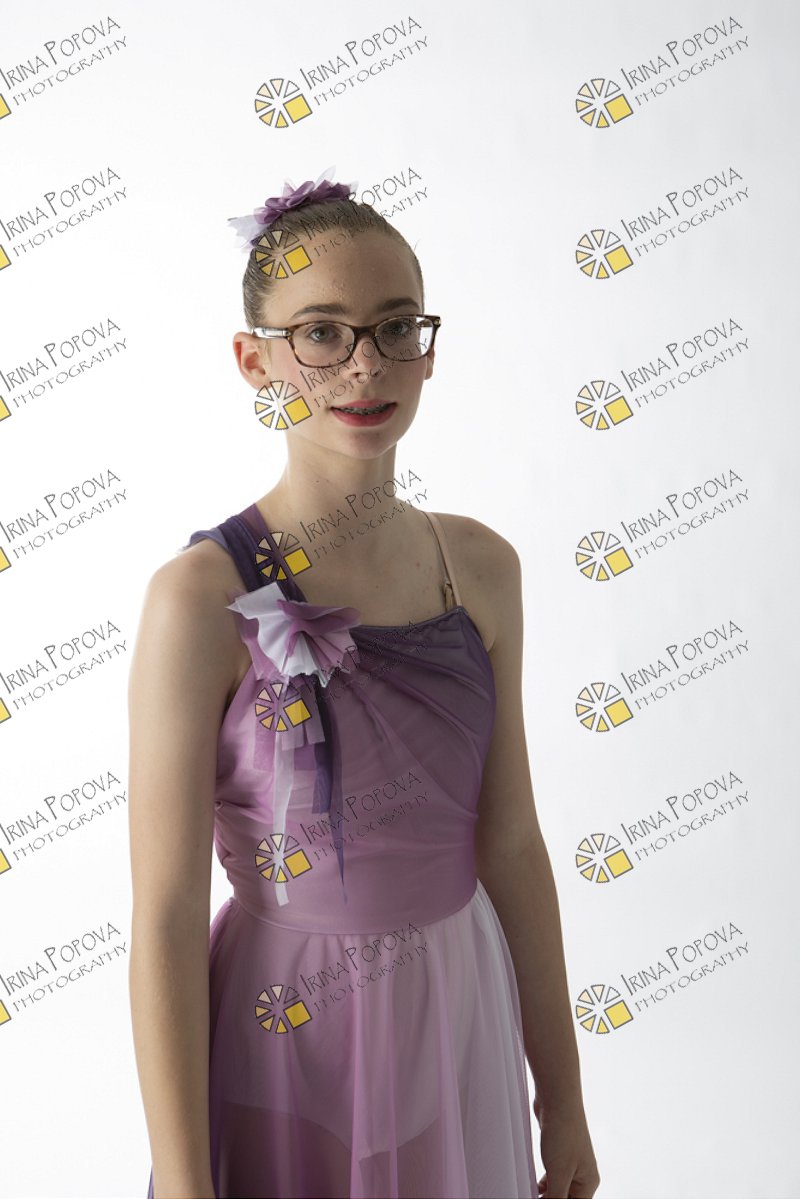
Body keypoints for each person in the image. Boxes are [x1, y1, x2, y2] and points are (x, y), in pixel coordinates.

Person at [128, 168, 600, 1199]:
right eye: (321, 333)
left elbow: (511, 840)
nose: (364, 365)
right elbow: (164, 912)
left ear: (428, 345)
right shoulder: (199, 597)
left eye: (394, 327)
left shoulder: (481, 567)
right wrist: (184, 1180)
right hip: (283, 1027)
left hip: (454, 1008)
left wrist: (561, 1098)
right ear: (254, 359)